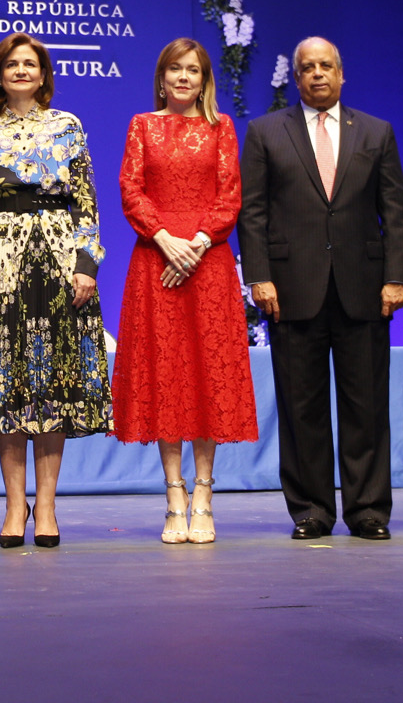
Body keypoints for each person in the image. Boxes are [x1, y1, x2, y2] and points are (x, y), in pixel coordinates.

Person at [238, 36, 403, 541]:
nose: (317, 74)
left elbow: (395, 212)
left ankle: (368, 510)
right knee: (301, 407)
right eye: (308, 67)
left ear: (341, 73)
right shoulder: (266, 131)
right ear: (297, 78)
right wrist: (259, 276)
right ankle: (311, 509)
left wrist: (396, 276)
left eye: (326, 66)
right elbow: (254, 211)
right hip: (292, 288)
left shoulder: (376, 131)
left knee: (366, 406)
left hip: (365, 287)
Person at [0, 33, 110, 548]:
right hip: (1, 260)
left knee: (53, 386)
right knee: (6, 385)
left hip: (61, 261)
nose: (21, 70)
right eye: (12, 64)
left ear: (43, 75)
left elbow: (86, 198)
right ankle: (12, 505)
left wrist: (86, 264)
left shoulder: (68, 126)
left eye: (30, 64)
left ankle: (46, 506)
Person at [111, 38, 258, 545]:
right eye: (174, 68)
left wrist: (194, 244)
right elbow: (130, 190)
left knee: (206, 375)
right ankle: (174, 496)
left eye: (192, 70)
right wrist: (165, 239)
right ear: (161, 77)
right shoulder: (142, 125)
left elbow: (230, 195)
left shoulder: (221, 128)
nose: (183, 77)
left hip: (207, 262)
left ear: (204, 80)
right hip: (156, 259)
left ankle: (203, 496)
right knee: (167, 375)